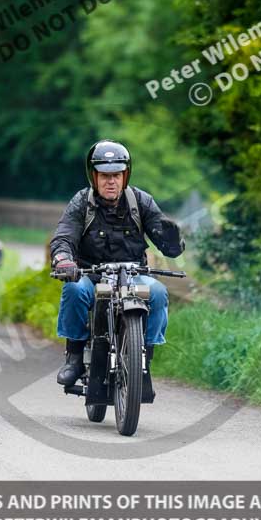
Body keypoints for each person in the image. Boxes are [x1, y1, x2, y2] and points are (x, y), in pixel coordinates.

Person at [50, 140, 185, 386]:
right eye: (104, 175)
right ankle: (75, 356)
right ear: (94, 176)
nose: (111, 181)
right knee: (74, 289)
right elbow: (64, 236)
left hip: (133, 274)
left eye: (117, 175)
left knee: (157, 292)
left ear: (125, 175)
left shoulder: (141, 201)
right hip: (91, 274)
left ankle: (144, 360)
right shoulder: (82, 202)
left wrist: (172, 239)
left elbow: (165, 241)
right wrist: (63, 260)